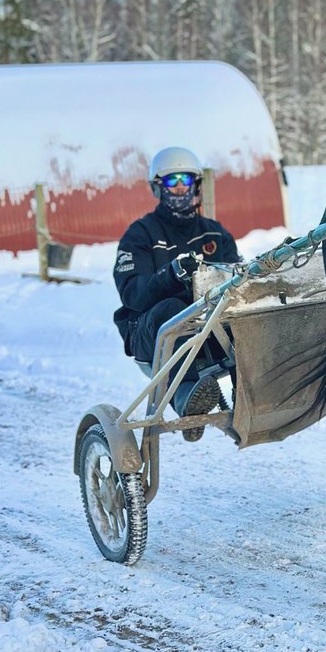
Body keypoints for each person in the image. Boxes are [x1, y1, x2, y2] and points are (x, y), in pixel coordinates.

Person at [113, 146, 240, 441]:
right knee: (173, 308)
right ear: (158, 187)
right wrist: (170, 274)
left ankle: (254, 394)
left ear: (196, 185)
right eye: (172, 182)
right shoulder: (140, 235)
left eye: (185, 180)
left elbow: (236, 279)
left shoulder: (214, 234)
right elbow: (132, 294)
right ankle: (186, 397)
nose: (180, 188)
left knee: (245, 311)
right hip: (151, 332)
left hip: (209, 329)